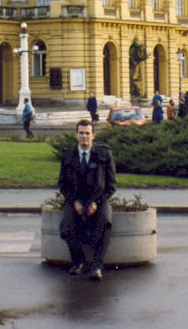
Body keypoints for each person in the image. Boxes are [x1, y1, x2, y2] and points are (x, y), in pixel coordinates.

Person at [58, 119, 117, 281]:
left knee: (105, 223)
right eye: (81, 133)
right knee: (67, 225)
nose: (84, 137)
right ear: (76, 135)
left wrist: (96, 203)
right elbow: (62, 184)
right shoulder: (68, 155)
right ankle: (78, 262)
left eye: (87, 133)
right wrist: (74, 201)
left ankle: (97, 266)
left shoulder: (104, 155)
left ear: (93, 136)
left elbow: (111, 186)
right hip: (75, 199)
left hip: (98, 199)